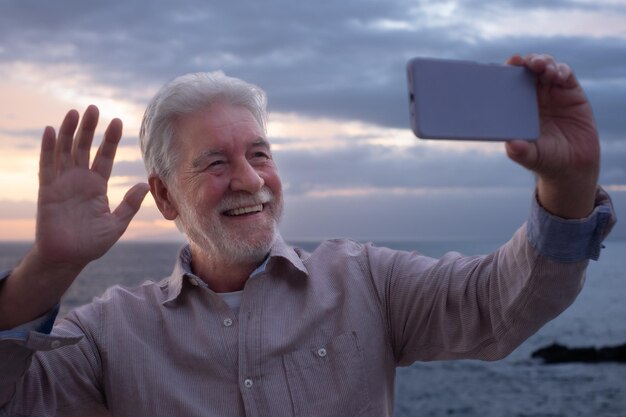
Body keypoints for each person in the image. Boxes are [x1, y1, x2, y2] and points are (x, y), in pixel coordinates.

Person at [0, 53, 616, 417]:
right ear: (163, 196)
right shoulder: (109, 335)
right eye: (216, 163)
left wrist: (569, 181)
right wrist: (48, 270)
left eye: (260, 154)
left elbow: (499, 306)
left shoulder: (367, 282)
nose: (250, 180)